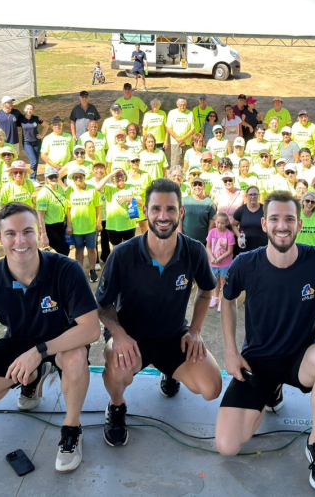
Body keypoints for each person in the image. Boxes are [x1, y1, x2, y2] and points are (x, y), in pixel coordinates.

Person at [0, 202, 99, 472]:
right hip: (18, 342)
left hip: (62, 341)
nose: (20, 241)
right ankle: (32, 376)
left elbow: (91, 329)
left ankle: (72, 428)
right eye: (11, 233)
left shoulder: (67, 269)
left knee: (76, 357)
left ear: (39, 232)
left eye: (27, 232)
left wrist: (39, 352)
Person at [217, 192, 315, 490]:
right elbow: (227, 299)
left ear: (300, 224)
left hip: (301, 359)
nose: (282, 226)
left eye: (289, 219)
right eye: (274, 219)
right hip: (257, 362)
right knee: (227, 446)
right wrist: (231, 352)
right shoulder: (245, 263)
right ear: (264, 224)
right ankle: (269, 392)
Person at [96, 179, 222, 446]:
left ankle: (170, 370)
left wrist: (194, 331)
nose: (163, 216)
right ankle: (116, 406)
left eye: (170, 209)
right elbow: (102, 305)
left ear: (181, 212)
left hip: (173, 335)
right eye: (156, 209)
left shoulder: (195, 250)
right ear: (146, 211)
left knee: (211, 388)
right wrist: (118, 335)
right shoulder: (122, 254)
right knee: (118, 368)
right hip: (130, 337)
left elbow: (206, 290)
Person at [66, 169, 102, 283]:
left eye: (80, 176)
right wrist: (69, 225)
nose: (78, 179)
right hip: (76, 227)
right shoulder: (70, 191)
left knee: (92, 249)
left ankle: (92, 270)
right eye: (75, 177)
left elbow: (98, 207)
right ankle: (80, 271)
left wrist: (99, 223)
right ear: (73, 179)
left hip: (90, 226)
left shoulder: (92, 189)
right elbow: (68, 210)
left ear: (84, 177)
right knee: (79, 250)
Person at [98, 169, 140, 249]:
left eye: (121, 175)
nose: (120, 178)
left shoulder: (131, 187)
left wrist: (128, 199)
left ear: (125, 176)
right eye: (116, 176)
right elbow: (98, 187)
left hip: (129, 224)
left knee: (128, 248)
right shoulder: (109, 188)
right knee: (116, 249)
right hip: (114, 225)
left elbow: (140, 202)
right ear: (113, 179)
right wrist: (111, 174)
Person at [36, 167, 72, 256]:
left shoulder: (60, 188)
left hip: (61, 224)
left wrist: (68, 224)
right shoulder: (43, 193)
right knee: (63, 250)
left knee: (66, 249)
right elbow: (40, 216)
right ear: (46, 179)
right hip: (50, 227)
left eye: (55, 176)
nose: (54, 179)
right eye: (51, 177)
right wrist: (43, 235)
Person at [206, 212, 235, 310]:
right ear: (215, 222)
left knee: (224, 282)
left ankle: (223, 300)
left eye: (222, 223)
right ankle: (215, 298)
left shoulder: (229, 235)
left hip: (224, 264)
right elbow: (208, 247)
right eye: (218, 222)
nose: (219, 225)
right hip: (213, 263)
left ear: (226, 223)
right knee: (216, 281)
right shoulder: (212, 232)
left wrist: (218, 259)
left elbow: (230, 251)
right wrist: (212, 258)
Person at [181, 176, 217, 245]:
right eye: (195, 184)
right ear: (192, 187)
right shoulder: (184, 201)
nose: (197, 187)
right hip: (186, 240)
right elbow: (179, 220)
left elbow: (212, 223)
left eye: (200, 184)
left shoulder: (209, 203)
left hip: (202, 242)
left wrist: (209, 241)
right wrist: (180, 236)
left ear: (204, 187)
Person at [232, 186, 267, 253]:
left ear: (258, 195)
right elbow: (233, 225)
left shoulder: (265, 210)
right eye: (250, 195)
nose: (253, 197)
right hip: (245, 247)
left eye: (255, 194)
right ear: (246, 196)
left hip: (262, 247)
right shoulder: (241, 210)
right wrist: (239, 236)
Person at [20, 103, 47, 182]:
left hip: (37, 142)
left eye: (31, 109)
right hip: (27, 143)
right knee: (34, 161)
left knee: (36, 161)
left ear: (33, 110)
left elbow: (46, 126)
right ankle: (31, 179)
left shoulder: (36, 118)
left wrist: (42, 135)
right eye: (28, 109)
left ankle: (34, 179)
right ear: (24, 110)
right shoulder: (20, 119)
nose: (29, 110)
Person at [167, 98, 195, 167]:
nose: (182, 106)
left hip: (187, 143)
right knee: (175, 163)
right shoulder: (172, 113)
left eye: (184, 105)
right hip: (176, 143)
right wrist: (179, 140)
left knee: (188, 163)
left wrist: (183, 139)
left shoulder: (190, 113)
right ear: (177, 105)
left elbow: (193, 129)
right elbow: (169, 128)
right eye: (180, 105)